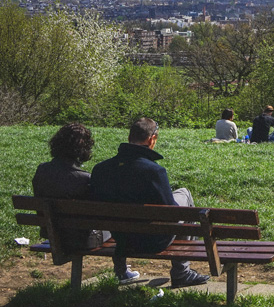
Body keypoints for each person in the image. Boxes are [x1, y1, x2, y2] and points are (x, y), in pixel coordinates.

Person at [90, 118, 209, 289]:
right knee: (184, 195)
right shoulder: (154, 171)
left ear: (129, 137)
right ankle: (181, 272)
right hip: (153, 241)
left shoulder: (101, 169)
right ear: (152, 139)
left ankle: (121, 270)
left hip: (120, 239)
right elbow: (173, 214)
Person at [33, 123, 140, 284]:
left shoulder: (42, 170)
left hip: (52, 233)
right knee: (118, 222)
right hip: (83, 239)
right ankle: (122, 271)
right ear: (83, 149)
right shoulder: (85, 179)